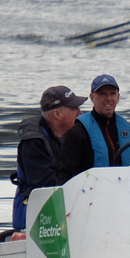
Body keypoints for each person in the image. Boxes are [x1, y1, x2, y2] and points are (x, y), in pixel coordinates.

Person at [10, 85, 83, 231]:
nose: (80, 113)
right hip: (34, 220)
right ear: (57, 114)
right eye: (74, 108)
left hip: (65, 213)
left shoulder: (76, 137)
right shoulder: (33, 143)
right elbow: (46, 185)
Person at [52, 74, 130, 182]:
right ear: (92, 98)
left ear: (118, 97)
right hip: (91, 193)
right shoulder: (79, 131)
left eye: (112, 94)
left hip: (125, 191)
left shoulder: (128, 129)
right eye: (102, 94)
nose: (108, 99)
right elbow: (65, 173)